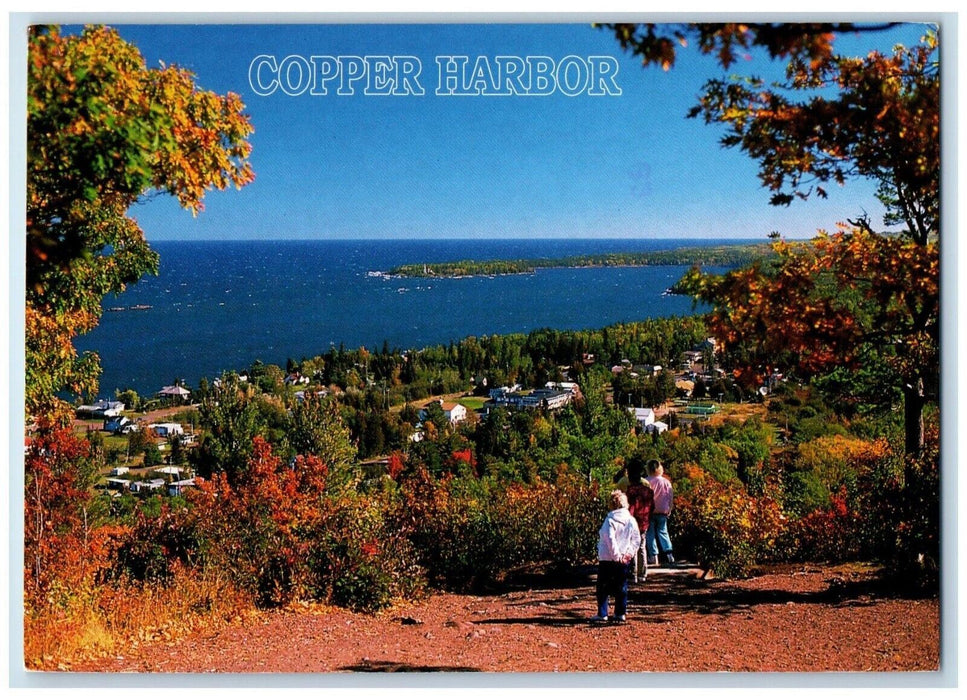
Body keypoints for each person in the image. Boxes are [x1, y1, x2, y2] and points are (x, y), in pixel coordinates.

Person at [591, 490, 641, 623]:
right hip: (624, 559)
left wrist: (616, 556)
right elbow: (636, 539)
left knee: (603, 587)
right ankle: (620, 613)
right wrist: (628, 554)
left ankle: (602, 613)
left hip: (607, 559)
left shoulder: (610, 520)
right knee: (621, 586)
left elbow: (609, 539)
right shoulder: (631, 520)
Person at [623, 457, 655, 583]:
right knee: (642, 546)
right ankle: (643, 573)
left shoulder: (630, 491)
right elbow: (652, 506)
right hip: (644, 522)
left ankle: (633, 573)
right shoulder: (648, 491)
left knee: (632, 546)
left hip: (633, 522)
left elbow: (630, 509)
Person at [645, 459, 675, 566]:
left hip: (649, 512)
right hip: (663, 511)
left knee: (650, 534)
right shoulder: (666, 482)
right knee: (663, 532)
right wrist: (669, 508)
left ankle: (653, 556)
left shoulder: (646, 481)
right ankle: (669, 554)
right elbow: (670, 497)